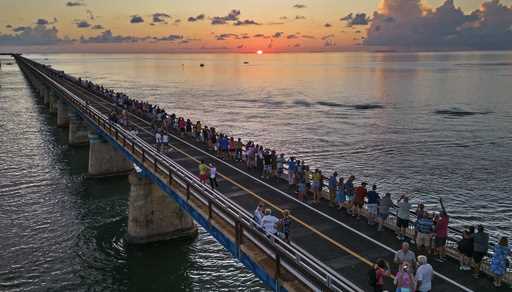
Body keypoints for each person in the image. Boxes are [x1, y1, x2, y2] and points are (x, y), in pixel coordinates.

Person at [433, 198, 449, 262]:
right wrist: (441, 203)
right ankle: (443, 256)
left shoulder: (440, 221)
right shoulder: (447, 218)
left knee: (439, 246)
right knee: (443, 246)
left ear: (441, 215)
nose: (439, 213)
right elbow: (444, 210)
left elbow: (435, 229)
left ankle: (440, 257)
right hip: (445, 234)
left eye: (440, 213)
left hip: (439, 235)